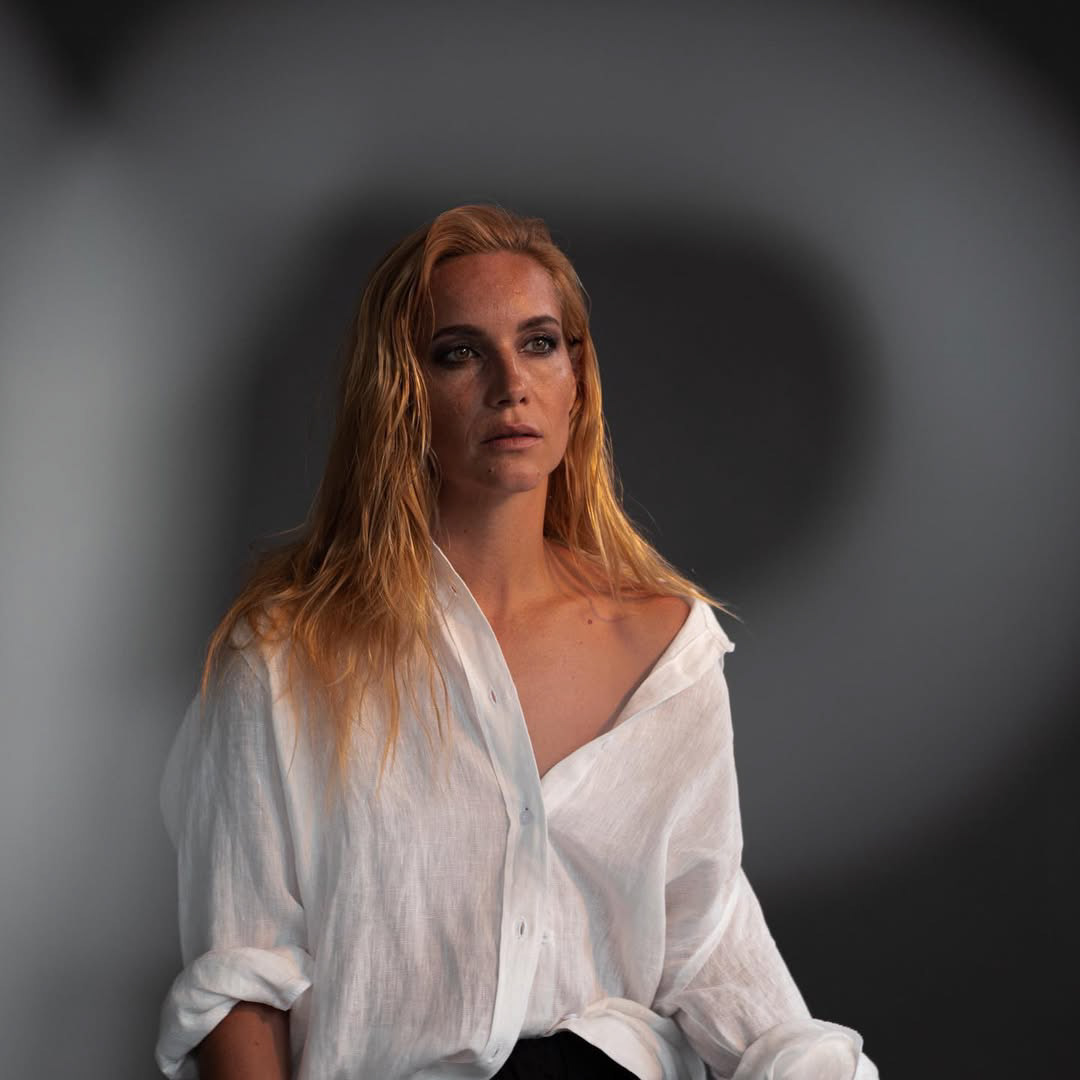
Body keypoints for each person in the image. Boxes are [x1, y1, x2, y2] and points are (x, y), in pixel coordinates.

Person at [154, 204, 879, 1079]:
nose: (510, 385)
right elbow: (241, 977)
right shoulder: (283, 661)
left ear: (578, 378)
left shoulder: (668, 653)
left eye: (539, 344)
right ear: (401, 392)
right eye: (459, 353)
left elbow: (709, 943)